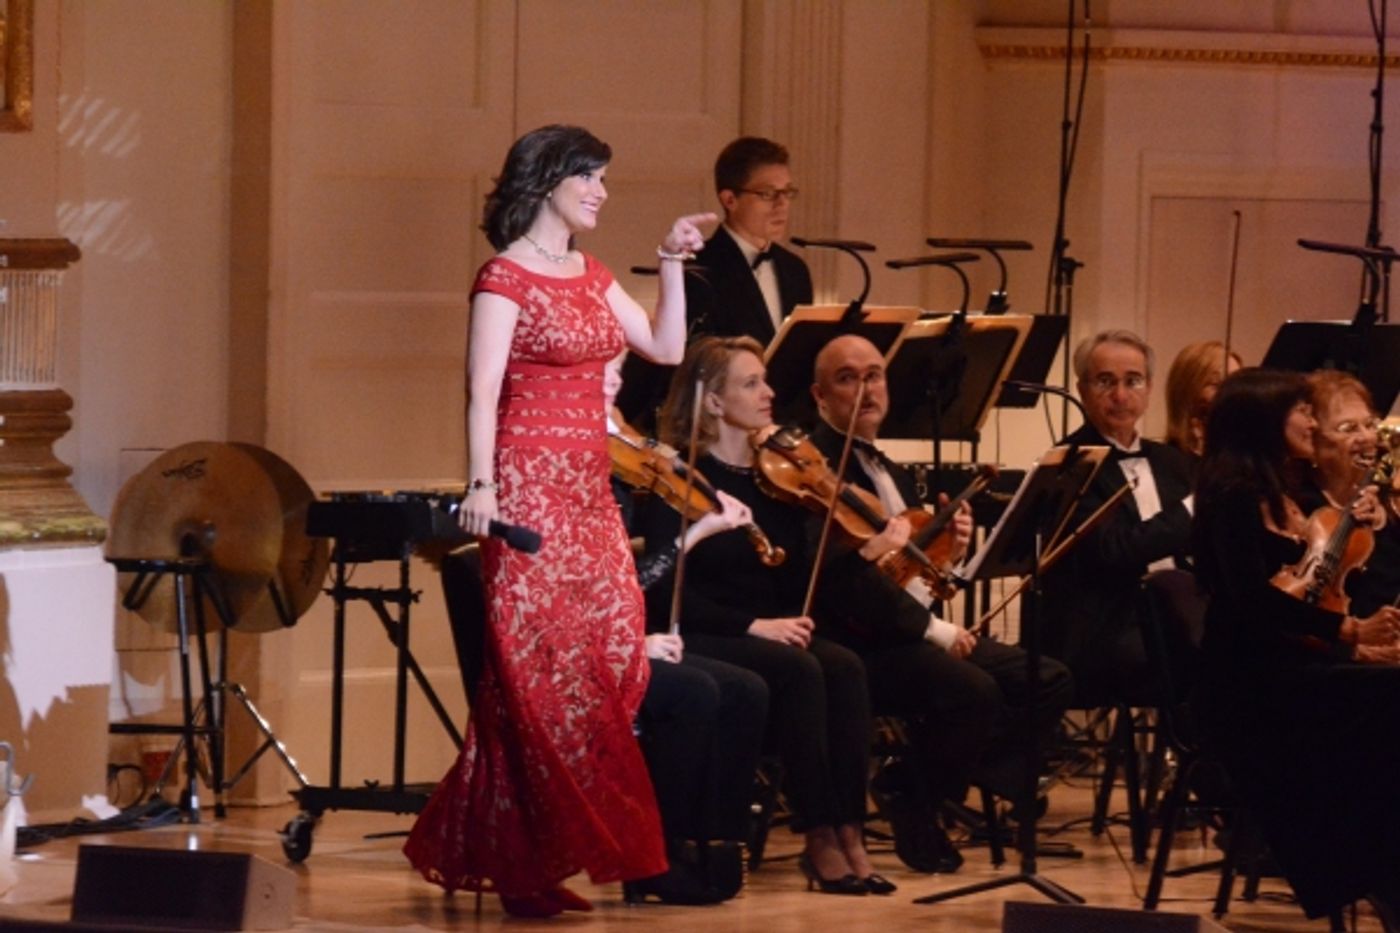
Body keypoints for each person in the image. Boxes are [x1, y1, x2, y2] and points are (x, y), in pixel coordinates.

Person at [403, 124, 714, 918]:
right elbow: (481, 389)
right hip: (528, 487)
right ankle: (525, 865)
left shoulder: (592, 271)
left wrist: (671, 262)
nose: (602, 192)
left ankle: (522, 851)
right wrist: (482, 484)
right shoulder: (503, 277)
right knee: (538, 678)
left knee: (614, 654)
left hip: (588, 491)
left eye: (605, 179)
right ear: (548, 181)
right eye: (591, 178)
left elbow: (667, 348)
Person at [637, 336, 904, 896]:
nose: (769, 392)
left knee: (845, 667)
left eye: (765, 381)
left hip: (767, 632)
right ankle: (820, 836)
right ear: (713, 402)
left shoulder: (777, 479)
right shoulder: (678, 477)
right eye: (751, 383)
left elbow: (794, 579)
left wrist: (855, 545)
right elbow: (661, 592)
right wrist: (754, 627)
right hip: (706, 635)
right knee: (802, 671)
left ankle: (850, 831)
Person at [808, 334, 1074, 872]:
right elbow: (847, 587)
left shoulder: (892, 471)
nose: (867, 388)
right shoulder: (816, 475)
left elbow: (909, 577)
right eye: (848, 377)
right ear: (819, 396)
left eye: (875, 374)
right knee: (972, 692)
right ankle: (926, 792)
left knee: (1046, 679)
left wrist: (951, 548)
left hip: (903, 627)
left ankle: (916, 783)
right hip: (859, 643)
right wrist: (936, 631)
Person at [1193, 367, 1400, 926]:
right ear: (1265, 420)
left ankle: (1383, 870)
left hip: (1294, 671)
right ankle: (1378, 873)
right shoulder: (1232, 499)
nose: (1312, 421)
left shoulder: (1279, 494)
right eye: (1301, 411)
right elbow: (1252, 608)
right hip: (1253, 688)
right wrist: (1351, 635)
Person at [603, 352, 770, 904]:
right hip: (583, 641)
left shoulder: (627, 455)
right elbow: (581, 586)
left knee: (745, 688)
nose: (614, 380)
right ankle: (655, 854)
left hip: (620, 628)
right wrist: (631, 642)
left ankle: (716, 843)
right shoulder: (575, 468)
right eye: (600, 370)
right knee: (695, 691)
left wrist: (703, 528)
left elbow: (630, 577)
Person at [1040, 329, 1195, 703]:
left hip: (1178, 616)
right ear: (1081, 389)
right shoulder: (1069, 462)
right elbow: (1114, 550)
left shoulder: (1174, 462)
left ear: (1150, 388)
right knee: (1201, 659)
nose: (1121, 396)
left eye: (1133, 381)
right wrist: (1192, 510)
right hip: (1109, 628)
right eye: (1105, 382)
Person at [685, 136, 813, 343]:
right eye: (768, 193)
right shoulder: (698, 269)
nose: (782, 204)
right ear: (730, 200)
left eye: (787, 192)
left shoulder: (796, 270)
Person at [1305, 370, 1400, 622]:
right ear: (1311, 440)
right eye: (1348, 428)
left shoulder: (1388, 496)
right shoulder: (1301, 506)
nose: (1368, 437)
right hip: (1338, 650)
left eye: (1370, 424)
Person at [1164, 340, 1243, 458]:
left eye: (1237, 383)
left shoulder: (1242, 459)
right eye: (1216, 384)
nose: (1233, 393)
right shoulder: (1168, 460)